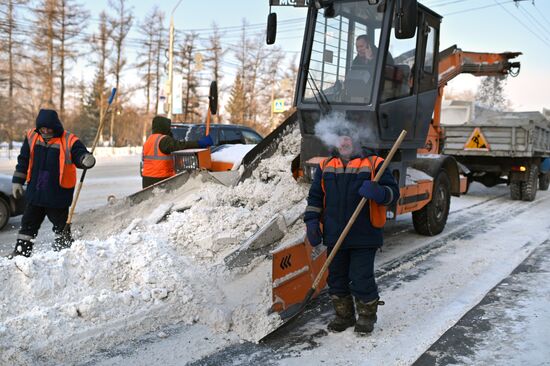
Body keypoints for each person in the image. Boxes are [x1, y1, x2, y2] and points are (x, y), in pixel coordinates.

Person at [303, 132, 400, 335]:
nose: (344, 142)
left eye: (348, 137)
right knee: (336, 277)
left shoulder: (375, 163)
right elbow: (315, 198)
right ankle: (344, 315)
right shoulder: (325, 166)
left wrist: (380, 193)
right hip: (335, 234)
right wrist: (312, 221)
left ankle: (366, 316)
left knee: (360, 277)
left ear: (356, 140)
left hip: (364, 235)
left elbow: (393, 194)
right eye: (340, 138)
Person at [8, 109, 97, 258]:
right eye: (42, 128)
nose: (46, 131)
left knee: (61, 227)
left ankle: (64, 255)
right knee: (28, 225)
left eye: (49, 128)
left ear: (55, 126)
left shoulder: (69, 139)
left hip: (57, 195)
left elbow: (79, 154)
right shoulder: (32, 137)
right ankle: (21, 253)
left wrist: (85, 159)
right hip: (36, 193)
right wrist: (17, 181)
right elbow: (23, 160)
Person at [141, 116, 213, 188]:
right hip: (160, 180)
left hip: (147, 179)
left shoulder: (149, 140)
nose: (169, 129)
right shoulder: (164, 140)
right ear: (163, 127)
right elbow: (181, 146)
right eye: (168, 127)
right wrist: (199, 143)